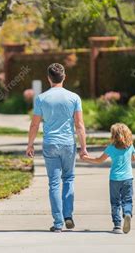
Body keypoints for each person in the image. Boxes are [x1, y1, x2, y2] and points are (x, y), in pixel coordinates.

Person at [26, 63, 88, 233]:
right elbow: (79, 124)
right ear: (64, 77)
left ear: (48, 78)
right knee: (68, 179)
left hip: (50, 144)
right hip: (68, 143)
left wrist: (30, 144)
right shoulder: (74, 98)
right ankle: (68, 215)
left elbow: (35, 125)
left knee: (54, 183)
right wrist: (83, 147)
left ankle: (58, 222)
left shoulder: (41, 98)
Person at [82, 123, 135, 234]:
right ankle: (127, 213)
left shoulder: (111, 148)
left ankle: (117, 226)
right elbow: (133, 159)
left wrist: (86, 158)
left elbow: (99, 160)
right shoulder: (130, 146)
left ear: (113, 136)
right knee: (127, 200)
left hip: (115, 179)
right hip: (128, 178)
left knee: (115, 202)